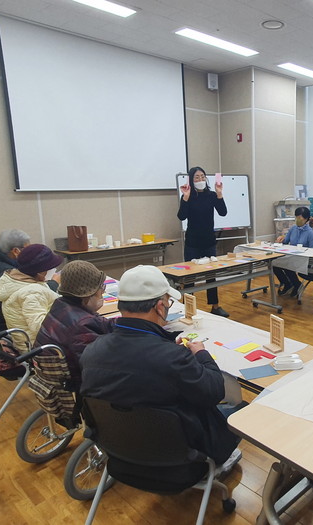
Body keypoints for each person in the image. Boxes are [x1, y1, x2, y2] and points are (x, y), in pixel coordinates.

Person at [80, 265, 241, 471]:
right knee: (239, 409)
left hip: (120, 451)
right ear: (159, 307)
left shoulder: (92, 351)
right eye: (168, 303)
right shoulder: (173, 358)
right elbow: (215, 391)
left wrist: (167, 348)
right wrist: (201, 355)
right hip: (179, 463)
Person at [35, 260, 115, 384]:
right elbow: (96, 365)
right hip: (74, 383)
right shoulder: (82, 324)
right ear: (88, 295)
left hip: (52, 375)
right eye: (101, 288)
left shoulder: (61, 305)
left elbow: (99, 323)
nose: (103, 292)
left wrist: (128, 322)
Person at [177, 166, 229, 317]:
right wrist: (185, 198)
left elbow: (223, 212)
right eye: (196, 177)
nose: (200, 179)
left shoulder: (211, 195)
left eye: (202, 176)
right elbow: (181, 216)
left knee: (211, 275)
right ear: (191, 180)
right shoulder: (188, 196)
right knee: (190, 277)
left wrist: (219, 194)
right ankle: (188, 309)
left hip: (209, 241)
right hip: (192, 242)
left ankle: (215, 306)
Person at [0, 244, 64, 351]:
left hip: (28, 342)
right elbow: (41, 327)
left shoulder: (14, 281)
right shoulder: (31, 293)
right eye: (50, 268)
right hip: (39, 349)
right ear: (40, 271)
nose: (53, 271)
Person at [274, 206, 313, 297]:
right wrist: (281, 239)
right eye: (296, 217)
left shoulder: (310, 232)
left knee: (287, 264)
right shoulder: (293, 228)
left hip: (303, 259)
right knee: (274, 263)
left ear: (306, 219)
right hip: (292, 256)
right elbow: (286, 241)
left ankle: (296, 284)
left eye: (299, 218)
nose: (297, 220)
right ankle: (288, 284)